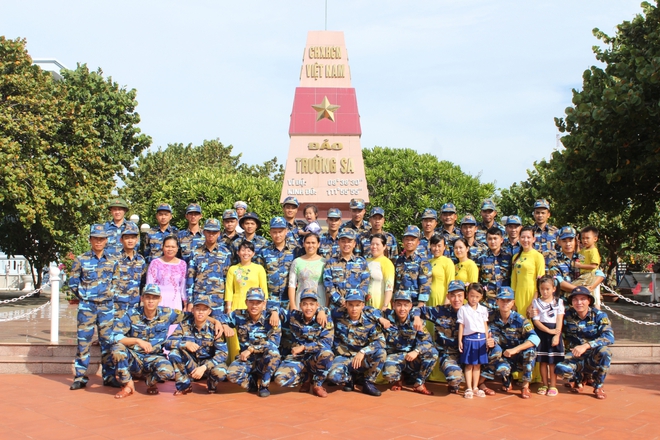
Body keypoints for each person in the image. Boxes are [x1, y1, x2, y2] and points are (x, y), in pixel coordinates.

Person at [111, 284, 222, 398]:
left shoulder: (167, 313)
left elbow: (196, 314)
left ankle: (150, 382)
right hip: (134, 356)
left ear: (160, 299)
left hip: (154, 357)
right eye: (148, 297)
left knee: (167, 372)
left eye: (154, 298)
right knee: (117, 349)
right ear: (142, 298)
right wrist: (137, 341)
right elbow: (114, 336)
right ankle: (127, 385)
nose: (151, 301)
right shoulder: (132, 314)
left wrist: (216, 322)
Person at [416, 280, 496, 395]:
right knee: (455, 378)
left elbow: (485, 329)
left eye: (459, 295)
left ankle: (480, 382)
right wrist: (417, 318)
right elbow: (417, 309)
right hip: (450, 355)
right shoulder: (440, 311)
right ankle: (459, 381)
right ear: (448, 296)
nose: (456, 299)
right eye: (452, 296)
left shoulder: (472, 310)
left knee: (496, 351)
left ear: (465, 296)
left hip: (471, 349)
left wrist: (491, 340)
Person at [69, 224, 120, 390]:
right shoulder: (81, 260)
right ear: (90, 240)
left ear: (106, 240)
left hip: (106, 307)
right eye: (95, 238)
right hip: (87, 307)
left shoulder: (112, 261)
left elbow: (117, 282)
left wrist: (107, 295)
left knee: (108, 342)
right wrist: (86, 296)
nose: (98, 241)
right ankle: (80, 377)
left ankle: (109, 376)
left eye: (101, 239)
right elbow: (73, 283)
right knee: (84, 342)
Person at [555, 286, 614, 399]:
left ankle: (598, 386)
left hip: (593, 355)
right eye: (575, 299)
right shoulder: (567, 315)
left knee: (605, 352)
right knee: (560, 369)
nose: (579, 302)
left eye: (582, 299)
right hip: (575, 355)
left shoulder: (599, 316)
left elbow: (609, 337)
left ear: (589, 301)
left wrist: (586, 346)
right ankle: (577, 379)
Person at [274, 289, 334, 398]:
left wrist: (304, 347)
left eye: (312, 304)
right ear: (300, 305)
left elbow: (326, 343)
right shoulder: (293, 316)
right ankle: (305, 379)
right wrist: (274, 312)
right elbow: (273, 307)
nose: (308, 308)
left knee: (327, 354)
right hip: (298, 358)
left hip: (314, 357)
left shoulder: (324, 318)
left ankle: (317, 384)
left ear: (317, 305)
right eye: (305, 304)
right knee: (280, 379)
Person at [165, 296, 229, 395]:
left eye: (204, 309)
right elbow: (168, 343)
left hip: (208, 364)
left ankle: (211, 383)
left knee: (221, 371)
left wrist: (204, 367)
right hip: (192, 362)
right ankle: (184, 385)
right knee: (174, 353)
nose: (200, 312)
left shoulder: (214, 329)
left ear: (209, 312)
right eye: (198, 309)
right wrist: (185, 344)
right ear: (192, 310)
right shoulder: (184, 325)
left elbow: (223, 353)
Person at [327, 289, 386, 396]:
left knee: (381, 353)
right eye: (351, 305)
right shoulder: (337, 314)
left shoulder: (369, 320)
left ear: (363, 305)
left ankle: (368, 382)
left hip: (361, 359)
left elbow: (381, 341)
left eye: (357, 305)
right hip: (342, 357)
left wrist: (363, 351)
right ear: (345, 304)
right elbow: (323, 310)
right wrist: (321, 312)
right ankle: (350, 378)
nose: (354, 309)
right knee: (333, 377)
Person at [225, 287, 282, 398]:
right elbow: (219, 318)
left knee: (274, 354)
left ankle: (264, 386)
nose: (254, 306)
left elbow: (273, 343)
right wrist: (223, 325)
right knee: (232, 374)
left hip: (263, 360)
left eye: (258, 303)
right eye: (251, 302)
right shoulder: (238, 315)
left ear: (264, 303)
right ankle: (252, 382)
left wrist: (251, 349)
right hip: (247, 360)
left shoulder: (271, 318)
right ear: (246, 302)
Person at [485, 286, 540, 399]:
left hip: (519, 356)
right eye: (502, 300)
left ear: (513, 302)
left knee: (530, 351)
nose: (505, 303)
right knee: (501, 368)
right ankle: (506, 379)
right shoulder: (489, 317)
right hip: (502, 356)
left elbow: (535, 339)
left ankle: (525, 386)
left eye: (508, 300)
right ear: (497, 301)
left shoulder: (519, 319)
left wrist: (516, 349)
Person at [380, 290, 438, 395]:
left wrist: (416, 351)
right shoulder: (387, 316)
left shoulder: (416, 321)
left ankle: (419, 383)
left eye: (405, 305)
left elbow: (428, 341)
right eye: (399, 305)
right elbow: (367, 310)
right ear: (393, 305)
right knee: (389, 373)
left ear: (410, 306)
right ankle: (398, 379)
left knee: (433, 353)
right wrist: (381, 319)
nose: (402, 309)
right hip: (394, 357)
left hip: (412, 357)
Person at [226, 240, 269, 361]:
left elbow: (264, 289)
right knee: (236, 340)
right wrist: (229, 308)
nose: (246, 253)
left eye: (249, 250)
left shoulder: (259, 268)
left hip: (255, 306)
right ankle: (234, 363)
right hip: (237, 305)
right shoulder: (233, 269)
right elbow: (229, 289)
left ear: (253, 253)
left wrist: (263, 307)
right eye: (243, 250)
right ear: (238, 253)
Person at [186, 218, 233, 319]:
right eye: (208, 232)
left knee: (218, 329)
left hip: (218, 299)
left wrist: (227, 303)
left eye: (214, 232)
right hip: (199, 298)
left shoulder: (226, 253)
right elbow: (190, 278)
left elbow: (227, 280)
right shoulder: (195, 252)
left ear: (219, 233)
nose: (211, 235)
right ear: (204, 232)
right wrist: (190, 301)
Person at [549, 226, 605, 305]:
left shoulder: (582, 256)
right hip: (564, 305)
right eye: (564, 241)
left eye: (571, 240)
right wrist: (581, 290)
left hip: (584, 306)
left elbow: (599, 273)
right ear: (559, 242)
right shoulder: (554, 262)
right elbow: (559, 283)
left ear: (576, 240)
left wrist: (591, 287)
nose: (568, 244)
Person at [146, 235, 188, 334]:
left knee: (174, 329)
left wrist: (186, 303)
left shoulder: (182, 264)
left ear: (177, 248)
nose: (170, 249)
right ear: (162, 247)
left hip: (175, 301)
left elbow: (183, 286)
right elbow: (150, 284)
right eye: (167, 246)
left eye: (173, 247)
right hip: (159, 301)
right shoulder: (155, 263)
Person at [531, 275, 564, 397]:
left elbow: (560, 319)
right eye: (542, 289)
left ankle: (553, 385)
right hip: (542, 333)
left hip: (555, 331)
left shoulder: (559, 302)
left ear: (554, 289)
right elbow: (536, 321)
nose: (545, 292)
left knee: (552, 362)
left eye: (547, 289)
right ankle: (544, 383)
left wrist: (556, 334)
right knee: (543, 361)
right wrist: (548, 331)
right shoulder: (536, 302)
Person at [323, 229, 370, 309]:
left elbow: (364, 284)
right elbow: (328, 285)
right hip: (336, 308)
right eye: (343, 241)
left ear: (354, 244)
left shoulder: (362, 262)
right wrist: (341, 301)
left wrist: (353, 301)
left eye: (349, 241)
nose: (346, 244)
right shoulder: (330, 262)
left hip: (355, 308)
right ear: (339, 243)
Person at [257, 217, 298, 309]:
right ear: (270, 232)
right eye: (274, 232)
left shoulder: (295, 250)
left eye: (280, 231)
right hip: (271, 300)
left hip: (291, 299)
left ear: (286, 231)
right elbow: (259, 275)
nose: (277, 235)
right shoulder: (263, 252)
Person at [457, 283, 490, 399]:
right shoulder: (463, 309)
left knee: (477, 365)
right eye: (472, 296)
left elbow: (485, 325)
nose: (474, 299)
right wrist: (460, 340)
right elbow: (461, 325)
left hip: (481, 339)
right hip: (469, 339)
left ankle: (476, 387)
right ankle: (468, 387)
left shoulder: (483, 309)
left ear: (481, 297)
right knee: (469, 365)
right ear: (467, 295)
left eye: (477, 296)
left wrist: (487, 339)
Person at [112, 223, 146, 320]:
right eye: (127, 238)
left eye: (133, 237)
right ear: (121, 240)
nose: (130, 240)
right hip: (117, 306)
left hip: (135, 306)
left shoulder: (140, 260)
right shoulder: (114, 259)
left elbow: (143, 282)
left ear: (136, 240)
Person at [511, 226, 546, 316]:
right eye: (522, 237)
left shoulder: (538, 256)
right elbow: (514, 280)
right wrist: (512, 300)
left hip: (531, 294)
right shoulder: (516, 257)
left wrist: (533, 303)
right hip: (518, 295)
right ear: (519, 238)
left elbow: (541, 281)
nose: (525, 240)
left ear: (533, 239)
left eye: (528, 237)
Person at [476, 227, 512, 311]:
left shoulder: (508, 257)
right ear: (486, 240)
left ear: (501, 240)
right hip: (487, 302)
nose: (492, 242)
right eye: (490, 239)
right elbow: (477, 280)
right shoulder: (481, 258)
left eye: (495, 238)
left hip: (505, 301)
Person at [394, 226, 431, 306]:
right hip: (400, 304)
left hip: (415, 303)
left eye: (412, 240)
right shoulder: (399, 260)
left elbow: (425, 284)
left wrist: (421, 304)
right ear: (403, 241)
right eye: (407, 239)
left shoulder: (422, 261)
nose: (409, 242)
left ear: (418, 242)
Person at [288, 233, 326, 309]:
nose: (310, 245)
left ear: (318, 244)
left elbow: (328, 286)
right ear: (303, 244)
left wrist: (326, 307)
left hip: (320, 300)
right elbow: (292, 285)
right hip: (302, 301)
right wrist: (293, 305)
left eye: (313, 243)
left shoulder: (324, 262)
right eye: (308, 243)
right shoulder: (297, 262)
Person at [367, 234, 395, 310]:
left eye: (377, 244)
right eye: (372, 244)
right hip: (366, 305)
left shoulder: (387, 263)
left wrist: (385, 306)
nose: (374, 247)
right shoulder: (366, 262)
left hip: (380, 305)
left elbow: (389, 287)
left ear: (384, 246)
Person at [428, 234, 454, 307]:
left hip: (441, 299)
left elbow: (450, 282)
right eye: (434, 245)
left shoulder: (447, 262)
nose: (436, 249)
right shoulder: (427, 262)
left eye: (439, 246)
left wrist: (447, 301)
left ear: (444, 247)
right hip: (428, 299)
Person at [530, 199, 558, 266]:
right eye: (537, 213)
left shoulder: (555, 231)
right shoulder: (529, 232)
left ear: (548, 215)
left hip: (552, 271)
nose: (540, 215)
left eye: (543, 213)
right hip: (534, 269)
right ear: (534, 214)